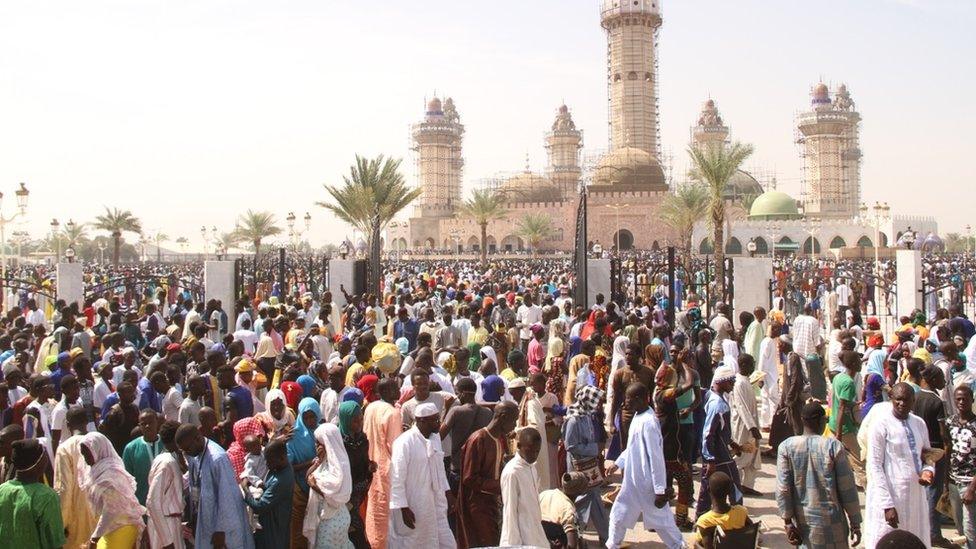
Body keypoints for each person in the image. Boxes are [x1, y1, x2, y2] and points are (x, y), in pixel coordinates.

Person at [606, 382, 685, 549]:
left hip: (647, 483)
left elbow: (656, 458)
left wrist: (659, 489)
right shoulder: (637, 417)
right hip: (633, 481)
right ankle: (613, 544)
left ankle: (679, 545)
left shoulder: (649, 422)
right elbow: (633, 448)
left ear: (640, 399)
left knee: (663, 522)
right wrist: (618, 463)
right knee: (618, 515)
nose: (625, 402)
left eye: (628, 398)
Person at [777, 401, 862, 548]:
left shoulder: (786, 447)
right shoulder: (833, 446)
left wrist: (788, 522)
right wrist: (855, 522)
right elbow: (847, 488)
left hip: (804, 527)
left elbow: (783, 489)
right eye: (825, 420)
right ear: (820, 421)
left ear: (803, 420)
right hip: (833, 526)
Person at [864, 383, 935, 549]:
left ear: (913, 401)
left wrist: (928, 471)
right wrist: (887, 504)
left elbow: (928, 456)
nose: (902, 404)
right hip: (892, 495)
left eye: (906, 400)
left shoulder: (919, 423)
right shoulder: (881, 424)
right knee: (890, 541)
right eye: (898, 400)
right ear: (891, 399)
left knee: (914, 540)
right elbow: (874, 465)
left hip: (916, 497)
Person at [388, 402, 455, 548]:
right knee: (415, 542)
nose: (439, 423)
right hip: (415, 504)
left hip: (437, 502)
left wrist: (448, 493)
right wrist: (403, 508)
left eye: (438, 418)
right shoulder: (404, 442)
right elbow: (397, 477)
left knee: (447, 543)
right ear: (421, 420)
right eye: (435, 420)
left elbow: (440, 469)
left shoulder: (435, 438)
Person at [176, 423, 255, 549]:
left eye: (187, 449)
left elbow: (227, 497)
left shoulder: (217, 458)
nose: (186, 453)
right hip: (206, 521)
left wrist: (220, 531)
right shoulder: (196, 454)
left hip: (224, 529)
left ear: (197, 439)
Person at [457, 400, 518, 549]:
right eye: (514, 420)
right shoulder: (478, 439)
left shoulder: (499, 439)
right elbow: (469, 478)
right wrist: (501, 485)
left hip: (493, 503)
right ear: (503, 417)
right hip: (478, 505)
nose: (515, 425)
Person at [77, 431, 147, 548]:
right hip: (109, 529)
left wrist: (95, 537)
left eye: (88, 454)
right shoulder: (96, 471)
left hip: (122, 526)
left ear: (97, 450)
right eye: (83, 455)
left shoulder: (111, 474)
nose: (85, 458)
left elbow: (111, 510)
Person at [562, 385, 610, 544]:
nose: (597, 405)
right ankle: (574, 536)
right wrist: (594, 448)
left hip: (589, 466)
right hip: (579, 468)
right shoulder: (574, 419)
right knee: (582, 501)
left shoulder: (587, 415)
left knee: (595, 499)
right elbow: (571, 446)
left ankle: (606, 537)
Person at [0, 439, 65, 549]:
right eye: (45, 456)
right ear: (37, 463)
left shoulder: (2, 490)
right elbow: (54, 541)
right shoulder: (47, 497)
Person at [363, 378, 402, 549]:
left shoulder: (370, 407)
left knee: (374, 508)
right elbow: (396, 446)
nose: (399, 390)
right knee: (385, 513)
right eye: (395, 388)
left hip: (369, 464)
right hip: (386, 467)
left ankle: (373, 542)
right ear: (385, 392)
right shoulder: (393, 413)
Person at [698, 365, 742, 515]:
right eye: (730, 381)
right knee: (734, 487)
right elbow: (708, 433)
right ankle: (741, 521)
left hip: (716, 453)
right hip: (719, 456)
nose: (733, 384)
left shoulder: (714, 397)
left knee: (707, 489)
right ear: (721, 381)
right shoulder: (717, 404)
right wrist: (710, 459)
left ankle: (701, 522)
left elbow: (720, 430)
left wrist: (731, 442)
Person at [52, 407, 97, 549]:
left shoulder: (65, 448)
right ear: (87, 422)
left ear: (67, 424)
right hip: (101, 517)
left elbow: (63, 489)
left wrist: (61, 524)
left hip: (77, 520)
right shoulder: (100, 441)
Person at [303, 423, 352, 548]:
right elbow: (308, 477)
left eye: (319, 443)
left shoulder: (339, 466)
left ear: (328, 444)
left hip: (332, 521)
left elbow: (334, 497)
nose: (316, 446)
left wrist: (315, 487)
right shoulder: (323, 461)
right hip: (327, 517)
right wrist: (317, 461)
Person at [499, 426, 549, 547]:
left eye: (537, 451)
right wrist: (513, 544)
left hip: (535, 532)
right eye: (531, 450)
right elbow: (510, 511)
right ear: (519, 446)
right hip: (520, 537)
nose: (534, 455)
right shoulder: (512, 472)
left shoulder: (532, 468)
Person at [246, 439, 295, 549]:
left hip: (274, 528)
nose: (267, 465)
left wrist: (245, 489)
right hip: (272, 525)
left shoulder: (281, 480)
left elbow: (260, 507)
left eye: (270, 461)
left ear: (282, 458)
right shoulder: (278, 468)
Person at [286, 397, 321, 549]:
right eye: (305, 417)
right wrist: (311, 463)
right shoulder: (293, 436)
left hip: (320, 488)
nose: (310, 421)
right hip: (300, 488)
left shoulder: (322, 432)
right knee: (299, 529)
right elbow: (288, 467)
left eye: (313, 416)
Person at [146, 420, 187, 549]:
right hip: (165, 526)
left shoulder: (169, 459)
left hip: (171, 523)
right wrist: (167, 541)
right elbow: (152, 502)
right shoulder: (166, 463)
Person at [338, 400, 372, 549]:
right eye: (355, 420)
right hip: (344, 495)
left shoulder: (362, 439)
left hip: (359, 492)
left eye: (360, 419)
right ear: (346, 420)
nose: (359, 423)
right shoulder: (338, 442)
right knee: (354, 530)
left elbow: (364, 463)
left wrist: (370, 466)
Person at [830, 350, 866, 489]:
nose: (860, 364)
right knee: (860, 462)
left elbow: (839, 401)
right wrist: (839, 433)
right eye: (858, 361)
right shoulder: (848, 382)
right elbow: (841, 408)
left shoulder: (839, 377)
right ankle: (868, 490)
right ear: (852, 364)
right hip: (844, 427)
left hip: (835, 423)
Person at [947, 385, 976, 549]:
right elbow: (948, 447)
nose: (961, 402)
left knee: (970, 527)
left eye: (965, 398)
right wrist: (946, 479)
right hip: (953, 481)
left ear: (972, 400)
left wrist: (972, 488)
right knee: (959, 526)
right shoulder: (951, 422)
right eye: (958, 399)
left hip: (969, 482)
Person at [693, 471, 750, 548]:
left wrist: (696, 544)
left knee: (693, 540)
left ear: (708, 489)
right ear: (729, 491)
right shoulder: (741, 511)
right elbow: (751, 531)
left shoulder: (705, 521)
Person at [122, 409, 164, 505]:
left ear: (157, 422)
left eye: (150, 422)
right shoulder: (131, 448)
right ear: (139, 426)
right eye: (144, 424)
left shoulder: (166, 444)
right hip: (141, 503)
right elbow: (127, 479)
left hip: (165, 504)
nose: (147, 426)